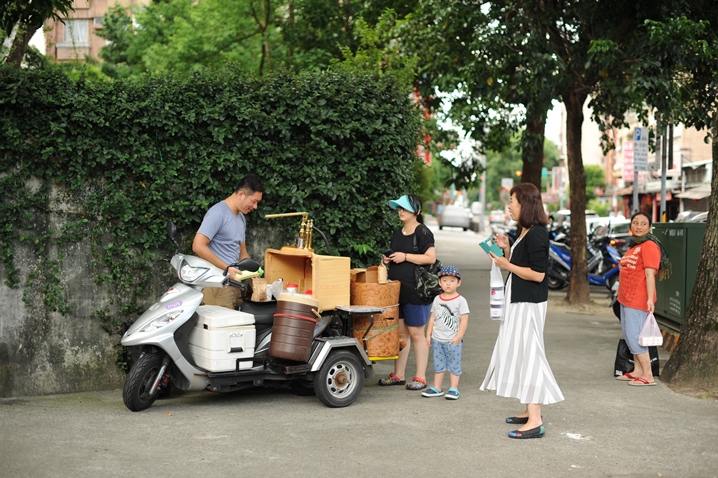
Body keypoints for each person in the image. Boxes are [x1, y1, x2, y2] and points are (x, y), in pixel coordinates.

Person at [480, 182, 564, 439]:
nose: (509, 207)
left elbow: (538, 275)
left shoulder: (537, 233)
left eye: (512, 202)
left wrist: (506, 262)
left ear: (525, 204)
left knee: (529, 357)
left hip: (528, 304)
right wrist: (507, 247)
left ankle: (535, 419)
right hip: (519, 302)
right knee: (521, 355)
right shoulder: (526, 231)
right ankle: (530, 410)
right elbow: (521, 263)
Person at [378, 194, 436, 391]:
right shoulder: (397, 232)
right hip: (397, 290)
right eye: (399, 208)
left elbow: (430, 258)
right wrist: (389, 259)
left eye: (405, 208)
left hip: (416, 291)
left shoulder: (423, 232)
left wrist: (405, 256)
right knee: (401, 334)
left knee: (417, 334)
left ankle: (420, 377)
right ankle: (398, 375)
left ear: (417, 211)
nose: (401, 211)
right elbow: (398, 257)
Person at [615, 211, 671, 386]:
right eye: (635, 223)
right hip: (626, 297)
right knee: (629, 333)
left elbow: (649, 273)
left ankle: (648, 375)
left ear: (649, 227)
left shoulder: (649, 246)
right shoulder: (634, 246)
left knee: (635, 335)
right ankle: (637, 370)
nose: (639, 226)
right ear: (630, 225)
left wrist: (649, 299)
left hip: (638, 299)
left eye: (643, 223)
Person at [192, 174, 264, 309]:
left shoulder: (241, 217)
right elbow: (198, 246)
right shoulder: (218, 213)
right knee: (221, 329)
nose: (255, 207)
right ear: (241, 194)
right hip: (217, 287)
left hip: (233, 285)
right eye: (254, 201)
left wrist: (255, 271)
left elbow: (242, 253)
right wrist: (226, 269)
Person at [421, 265, 469, 400]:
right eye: (445, 280)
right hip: (437, 339)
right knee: (438, 364)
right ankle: (437, 387)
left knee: (454, 364)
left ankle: (454, 388)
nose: (448, 283)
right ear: (440, 282)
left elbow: (464, 320)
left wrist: (459, 336)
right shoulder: (437, 299)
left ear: (458, 283)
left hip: (453, 339)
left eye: (452, 280)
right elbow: (432, 317)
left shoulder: (461, 301)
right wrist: (428, 334)